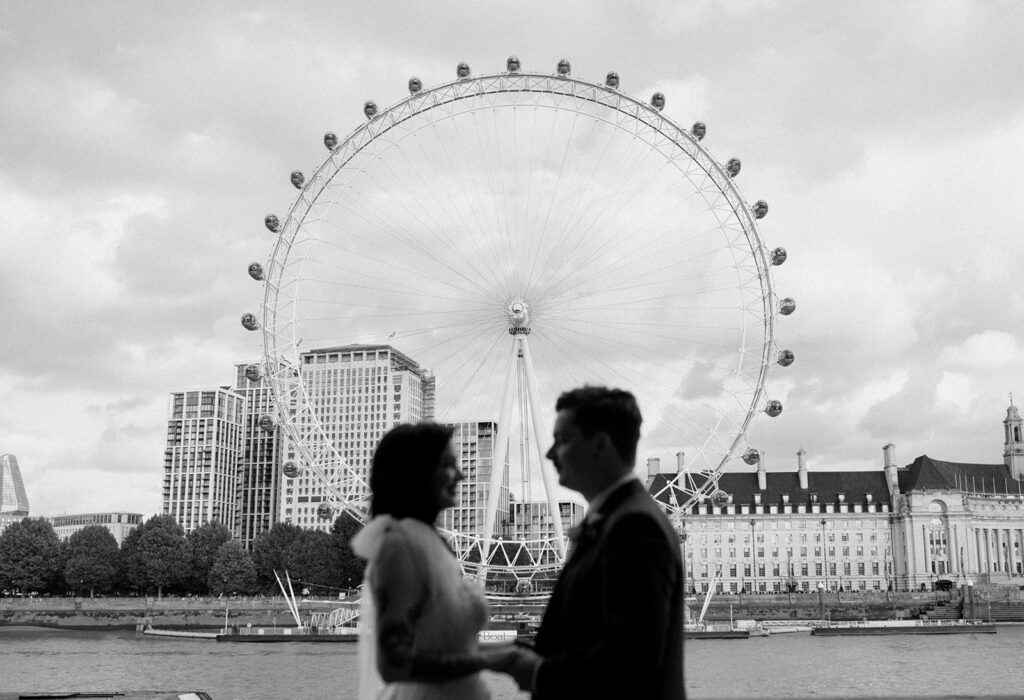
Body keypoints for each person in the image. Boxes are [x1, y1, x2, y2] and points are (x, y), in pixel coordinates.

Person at [497, 386, 685, 699]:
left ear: (600, 445)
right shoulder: (618, 518)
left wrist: (537, 671)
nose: (549, 453)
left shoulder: (635, 527)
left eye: (563, 440)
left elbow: (630, 663)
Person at [351, 422, 510, 700]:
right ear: (415, 472)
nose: (460, 475)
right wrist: (489, 662)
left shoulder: (434, 543)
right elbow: (393, 664)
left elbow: (447, 648)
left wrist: (509, 653)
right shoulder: (400, 546)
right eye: (448, 464)